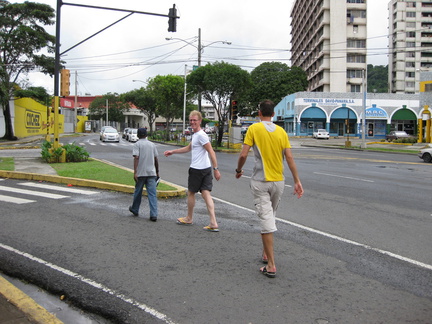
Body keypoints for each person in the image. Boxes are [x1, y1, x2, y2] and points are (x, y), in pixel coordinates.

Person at [235, 100, 304, 278]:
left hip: (260, 180)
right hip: (279, 182)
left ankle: (271, 265)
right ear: (273, 114)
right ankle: (266, 253)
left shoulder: (254, 129)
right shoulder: (281, 132)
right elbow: (289, 158)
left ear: (259, 113)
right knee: (270, 217)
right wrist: (297, 180)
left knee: (266, 220)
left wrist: (239, 170)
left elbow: (243, 154)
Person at [164, 110, 221, 232]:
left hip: (197, 169)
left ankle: (189, 218)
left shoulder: (201, 135)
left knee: (191, 193)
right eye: (191, 120)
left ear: (200, 121)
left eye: (195, 120)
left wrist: (216, 169)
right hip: (205, 169)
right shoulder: (196, 135)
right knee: (206, 194)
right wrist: (172, 152)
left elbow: (211, 152)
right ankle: (213, 222)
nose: (192, 122)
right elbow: (189, 148)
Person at [129, 128, 159, 222]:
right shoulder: (152, 145)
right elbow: (156, 159)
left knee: (138, 192)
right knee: (152, 194)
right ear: (146, 135)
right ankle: (153, 214)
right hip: (151, 173)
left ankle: (135, 209)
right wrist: (157, 171)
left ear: (138, 135)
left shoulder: (137, 144)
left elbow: (136, 158)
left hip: (141, 173)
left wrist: (135, 172)